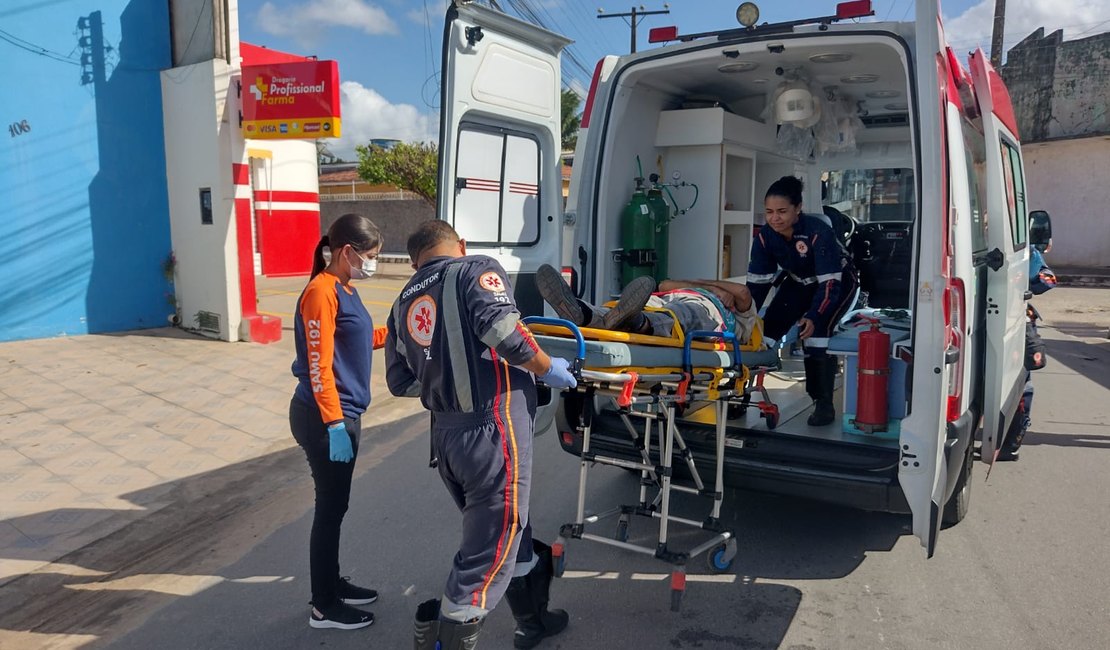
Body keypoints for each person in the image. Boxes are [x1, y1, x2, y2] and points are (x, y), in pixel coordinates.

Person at [385, 221, 576, 650]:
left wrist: (448, 382)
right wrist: (548, 369)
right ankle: (448, 636)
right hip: (493, 432)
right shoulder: (475, 268)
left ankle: (534, 622)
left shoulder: (403, 301)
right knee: (484, 557)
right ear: (460, 245)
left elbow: (400, 381)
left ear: (416, 260)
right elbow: (504, 333)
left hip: (448, 439)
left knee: (510, 534)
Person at [289, 213, 388, 630]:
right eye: (370, 256)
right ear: (347, 252)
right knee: (329, 510)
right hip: (324, 417)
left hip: (344, 413)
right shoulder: (320, 293)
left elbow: (357, 339)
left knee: (337, 506)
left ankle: (332, 583)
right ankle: (323, 605)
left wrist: (395, 332)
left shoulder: (345, 289)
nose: (373, 263)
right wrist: (333, 425)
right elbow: (318, 366)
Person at [747, 176, 858, 426]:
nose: (775, 218)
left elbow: (829, 283)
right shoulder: (765, 237)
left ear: (798, 209)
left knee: (816, 335)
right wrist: (745, 316)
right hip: (798, 282)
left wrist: (814, 315)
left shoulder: (818, 233)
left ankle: (823, 403)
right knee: (763, 332)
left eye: (782, 211)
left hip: (837, 282)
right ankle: (742, 394)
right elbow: (757, 284)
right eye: (769, 212)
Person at [535, 264, 762, 348]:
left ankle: (633, 321)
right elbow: (664, 284)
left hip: (708, 315)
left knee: (680, 316)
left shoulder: (744, 321)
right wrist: (713, 287)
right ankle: (584, 314)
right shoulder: (711, 291)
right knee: (616, 310)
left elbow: (742, 292)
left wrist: (708, 290)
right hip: (669, 298)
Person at [998, 244, 1057, 461]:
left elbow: (1048, 279)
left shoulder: (1024, 250)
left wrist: (1020, 279)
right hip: (975, 322)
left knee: (1021, 385)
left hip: (1015, 323)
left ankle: (1011, 444)